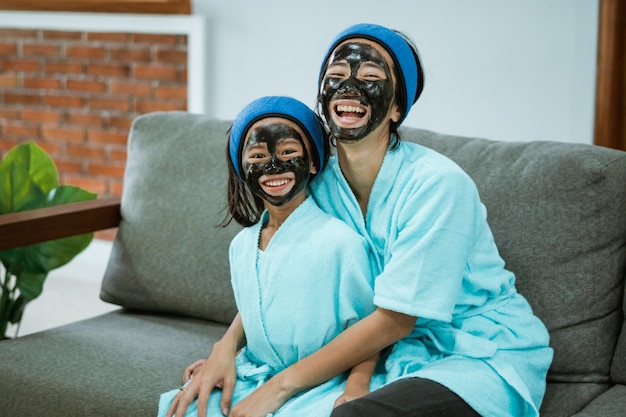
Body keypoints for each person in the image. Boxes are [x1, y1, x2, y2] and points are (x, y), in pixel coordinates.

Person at [220, 23, 553, 417]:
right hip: (390, 353)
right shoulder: (316, 182)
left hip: (474, 353)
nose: (350, 89)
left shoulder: (438, 186)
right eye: (336, 77)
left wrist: (278, 388)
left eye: (372, 78)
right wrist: (223, 349)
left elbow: (395, 320)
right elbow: (277, 268)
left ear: (397, 108)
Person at [159, 96, 382, 417]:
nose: (274, 167)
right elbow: (261, 316)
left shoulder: (342, 245)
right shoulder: (241, 246)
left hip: (323, 382)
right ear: (243, 168)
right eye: (258, 156)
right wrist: (227, 357)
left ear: (314, 161)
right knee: (184, 407)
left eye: (289, 153)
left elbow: (368, 333)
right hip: (256, 373)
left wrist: (356, 388)